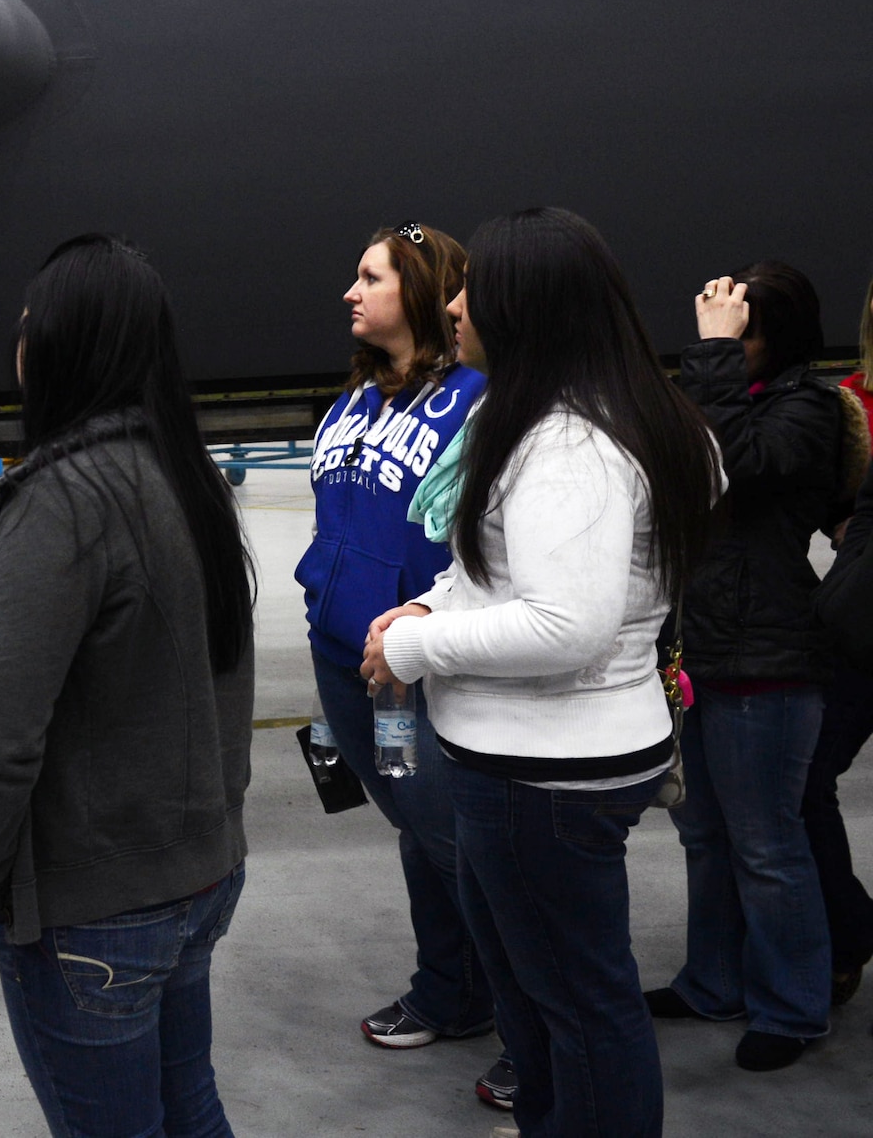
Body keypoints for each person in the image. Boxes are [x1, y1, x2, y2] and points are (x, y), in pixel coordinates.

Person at [362, 208, 720, 1138]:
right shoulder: (566, 416)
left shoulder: (571, 445)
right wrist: (435, 604)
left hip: (545, 779)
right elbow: (507, 573)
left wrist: (414, 647)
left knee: (578, 1006)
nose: (456, 299)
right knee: (538, 995)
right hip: (530, 765)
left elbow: (567, 622)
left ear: (530, 306)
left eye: (476, 286)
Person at [0, 233, 256, 1137]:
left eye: (31, 325)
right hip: (197, 871)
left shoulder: (64, 495)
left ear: (67, 345)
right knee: (189, 1102)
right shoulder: (186, 476)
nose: (19, 342)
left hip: (95, 907)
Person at [294, 223, 502, 1095]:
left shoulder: (478, 401)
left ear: (416, 291)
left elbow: (482, 542)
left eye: (369, 276)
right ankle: (449, 990)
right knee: (419, 830)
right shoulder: (351, 401)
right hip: (347, 662)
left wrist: (414, 630)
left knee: (461, 841)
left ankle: (528, 1018)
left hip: (420, 661)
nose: (351, 291)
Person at [643, 262, 840, 1070]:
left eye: (743, 331)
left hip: (769, 661)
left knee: (766, 845)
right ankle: (713, 981)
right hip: (701, 655)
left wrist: (714, 358)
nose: (728, 343)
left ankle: (793, 1008)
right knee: (705, 836)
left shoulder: (810, 408)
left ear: (779, 335)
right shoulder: (727, 394)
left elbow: (740, 464)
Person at [805, 279, 873, 1007]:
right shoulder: (849, 398)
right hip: (860, 629)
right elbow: (837, 510)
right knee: (805, 780)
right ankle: (849, 932)